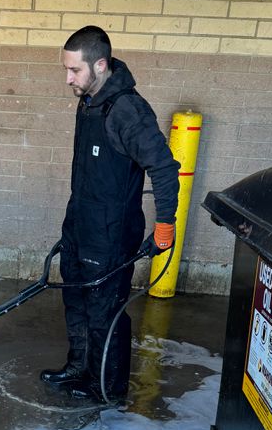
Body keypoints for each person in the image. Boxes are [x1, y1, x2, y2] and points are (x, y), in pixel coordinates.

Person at [40, 25, 180, 403]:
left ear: (100, 65)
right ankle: (79, 367)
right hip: (80, 223)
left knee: (105, 310)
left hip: (112, 233)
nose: (68, 78)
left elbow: (165, 169)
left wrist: (165, 225)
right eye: (67, 70)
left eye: (75, 71)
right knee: (76, 299)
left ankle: (107, 387)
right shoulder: (89, 101)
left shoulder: (128, 111)